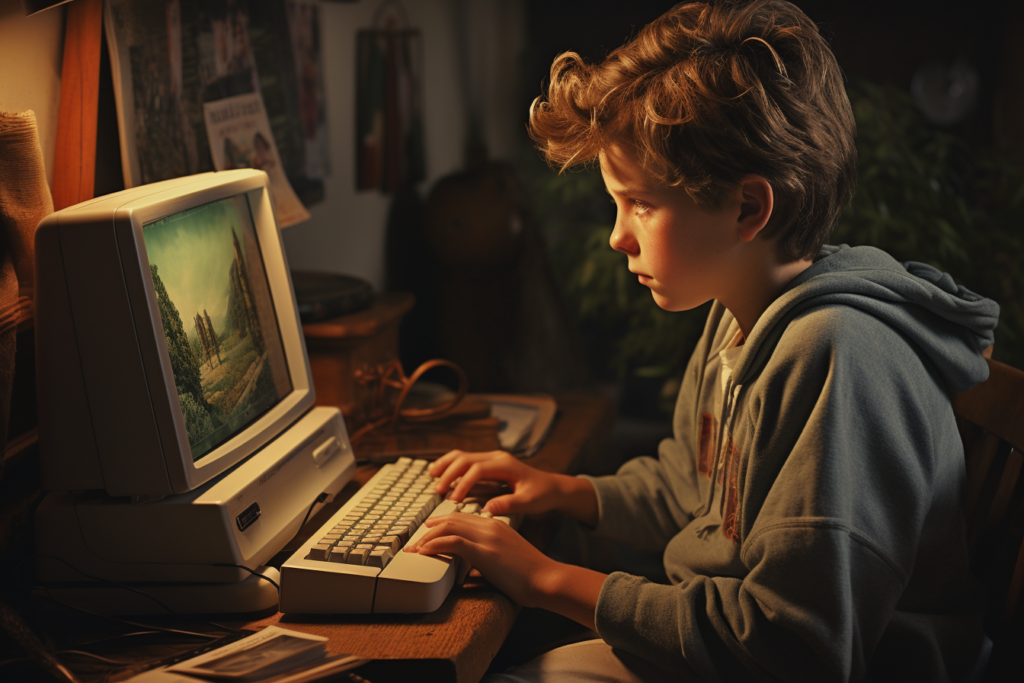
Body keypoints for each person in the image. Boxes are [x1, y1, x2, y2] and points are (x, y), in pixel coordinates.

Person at [404, 1, 998, 680]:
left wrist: (544, 577)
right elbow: (695, 490)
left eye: (642, 204)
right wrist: (566, 490)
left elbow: (794, 647)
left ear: (748, 207)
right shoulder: (742, 312)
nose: (617, 236)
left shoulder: (835, 356)